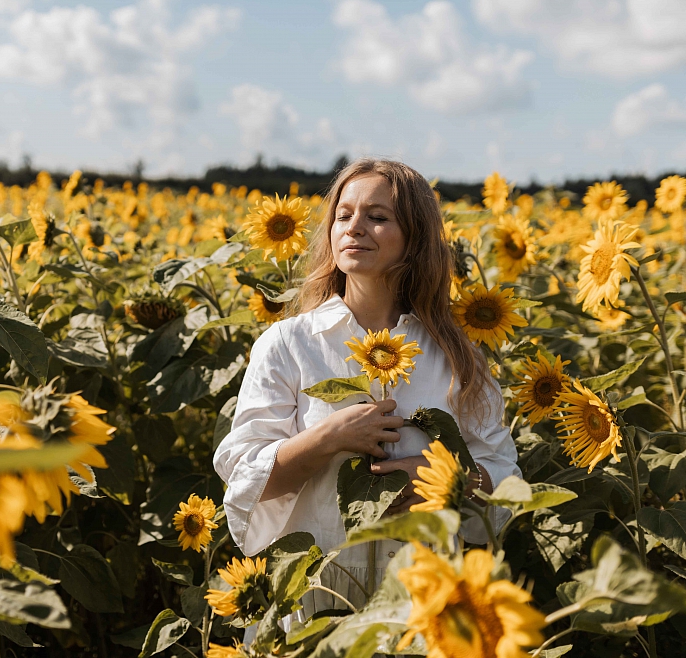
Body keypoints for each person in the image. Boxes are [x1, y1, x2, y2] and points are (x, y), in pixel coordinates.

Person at [213, 158, 521, 634]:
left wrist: (449, 482)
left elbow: (505, 481)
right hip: (316, 600)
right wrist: (328, 437)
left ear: (414, 239)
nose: (355, 228)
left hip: (422, 603)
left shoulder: (457, 356)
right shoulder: (290, 345)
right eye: (344, 215)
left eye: (378, 217)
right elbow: (244, 485)